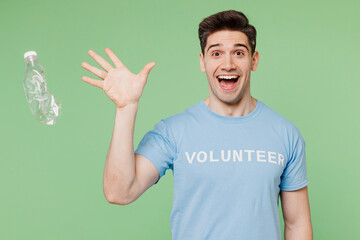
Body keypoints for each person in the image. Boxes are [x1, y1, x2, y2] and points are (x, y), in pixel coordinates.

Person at [81, 9, 313, 240]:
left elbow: (297, 225)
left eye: (239, 53)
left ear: (254, 60)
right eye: (216, 53)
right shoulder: (173, 132)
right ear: (203, 62)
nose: (228, 64)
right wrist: (126, 108)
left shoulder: (285, 134)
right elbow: (119, 192)